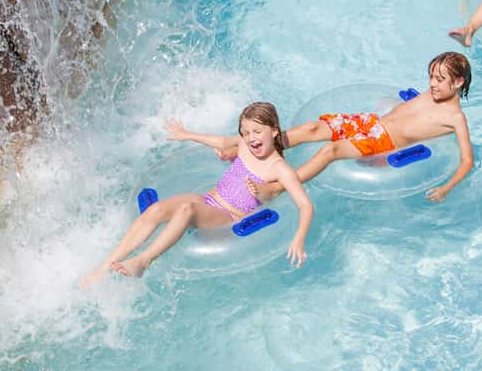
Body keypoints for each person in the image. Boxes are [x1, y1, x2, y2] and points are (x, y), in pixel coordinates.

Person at [80, 102, 313, 286]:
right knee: (157, 209)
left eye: (257, 131)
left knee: (187, 209)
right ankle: (102, 269)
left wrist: (299, 238)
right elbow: (221, 141)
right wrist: (187, 134)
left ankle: (143, 261)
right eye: (246, 132)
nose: (251, 138)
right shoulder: (243, 145)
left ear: (273, 131)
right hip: (208, 201)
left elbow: (305, 205)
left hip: (227, 217)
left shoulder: (279, 169)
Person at [209, 52, 476, 203]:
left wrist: (446, 188)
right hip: (372, 123)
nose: (432, 83)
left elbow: (466, 161)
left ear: (457, 82)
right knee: (314, 128)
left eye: (440, 79)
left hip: (383, 142)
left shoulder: (455, 118)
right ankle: (250, 145)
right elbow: (411, 110)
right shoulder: (431, 93)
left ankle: (277, 188)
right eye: (431, 76)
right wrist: (393, 102)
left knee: (330, 150)